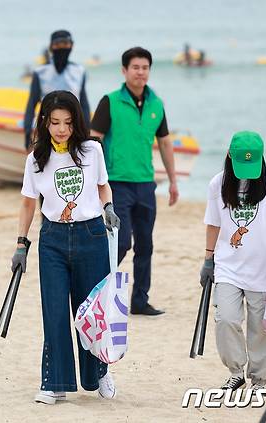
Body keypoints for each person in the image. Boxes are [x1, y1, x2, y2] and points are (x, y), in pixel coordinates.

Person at [12, 90, 120, 404]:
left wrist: (109, 207)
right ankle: (54, 381)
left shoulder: (91, 150)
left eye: (68, 123)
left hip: (92, 235)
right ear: (44, 122)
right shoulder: (36, 159)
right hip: (53, 240)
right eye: (55, 122)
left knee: (90, 313)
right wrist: (21, 245)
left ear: (77, 123)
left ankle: (99, 372)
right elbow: (28, 203)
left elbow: (102, 185)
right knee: (55, 312)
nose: (62, 129)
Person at [90, 47, 178, 316]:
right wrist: (94, 181)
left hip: (145, 183)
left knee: (145, 244)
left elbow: (164, 142)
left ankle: (140, 300)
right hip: (117, 183)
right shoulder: (110, 101)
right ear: (124, 71)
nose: (141, 72)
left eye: (145, 67)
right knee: (121, 242)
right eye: (135, 67)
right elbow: (94, 140)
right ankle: (98, 289)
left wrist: (173, 180)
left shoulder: (157, 104)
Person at [200, 131, 266, 392]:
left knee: (260, 328)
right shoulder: (217, 184)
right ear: (229, 156)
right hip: (228, 266)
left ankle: (260, 380)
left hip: (264, 267)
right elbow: (213, 223)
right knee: (226, 319)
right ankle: (236, 372)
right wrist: (208, 260)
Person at [24, 30, 90, 149]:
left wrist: (86, 131)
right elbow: (31, 104)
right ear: (51, 47)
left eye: (65, 44)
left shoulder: (79, 71)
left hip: (72, 127)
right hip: (46, 129)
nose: (62, 48)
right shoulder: (40, 72)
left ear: (72, 46)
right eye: (58, 44)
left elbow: (84, 105)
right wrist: (28, 132)